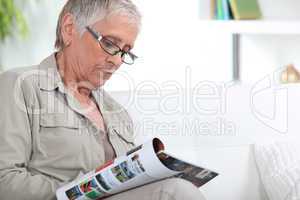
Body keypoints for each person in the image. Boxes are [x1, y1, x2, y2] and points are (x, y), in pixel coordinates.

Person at [0, 0, 206, 199]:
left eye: (125, 52)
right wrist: (77, 192)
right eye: (109, 43)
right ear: (69, 28)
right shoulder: (20, 86)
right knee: (178, 192)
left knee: (179, 186)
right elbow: (4, 179)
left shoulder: (117, 112)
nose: (117, 61)